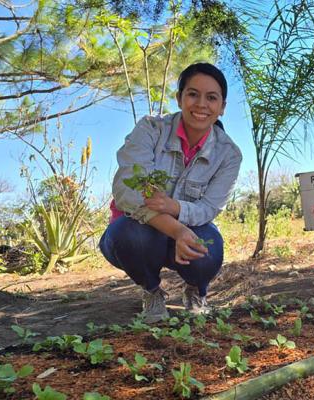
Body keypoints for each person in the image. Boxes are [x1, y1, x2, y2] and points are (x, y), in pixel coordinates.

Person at [99, 63, 242, 323]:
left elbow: (210, 208)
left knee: (209, 250)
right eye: (193, 94)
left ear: (222, 107)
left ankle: (196, 290)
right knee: (128, 236)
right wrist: (177, 230)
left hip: (190, 231)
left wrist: (175, 207)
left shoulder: (229, 154)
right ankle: (152, 291)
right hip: (139, 229)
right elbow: (127, 191)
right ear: (179, 98)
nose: (201, 104)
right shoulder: (150, 129)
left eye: (212, 98)